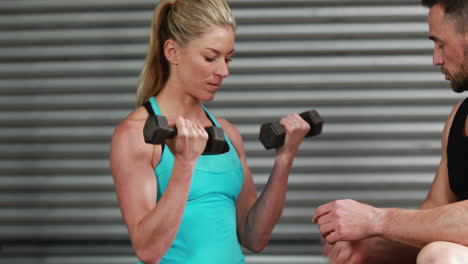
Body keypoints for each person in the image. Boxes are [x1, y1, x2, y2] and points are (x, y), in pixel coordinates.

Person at [109, 0, 311, 263]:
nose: (224, 71)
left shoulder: (227, 133)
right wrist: (184, 164)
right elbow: (148, 250)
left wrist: (285, 158)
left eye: (228, 58)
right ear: (172, 52)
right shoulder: (135, 135)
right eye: (210, 57)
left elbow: (254, 237)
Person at [312, 0, 468, 263]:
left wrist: (374, 220)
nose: (435, 59)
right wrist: (370, 247)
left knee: (442, 255)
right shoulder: (459, 117)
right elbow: (430, 220)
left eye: (441, 44)